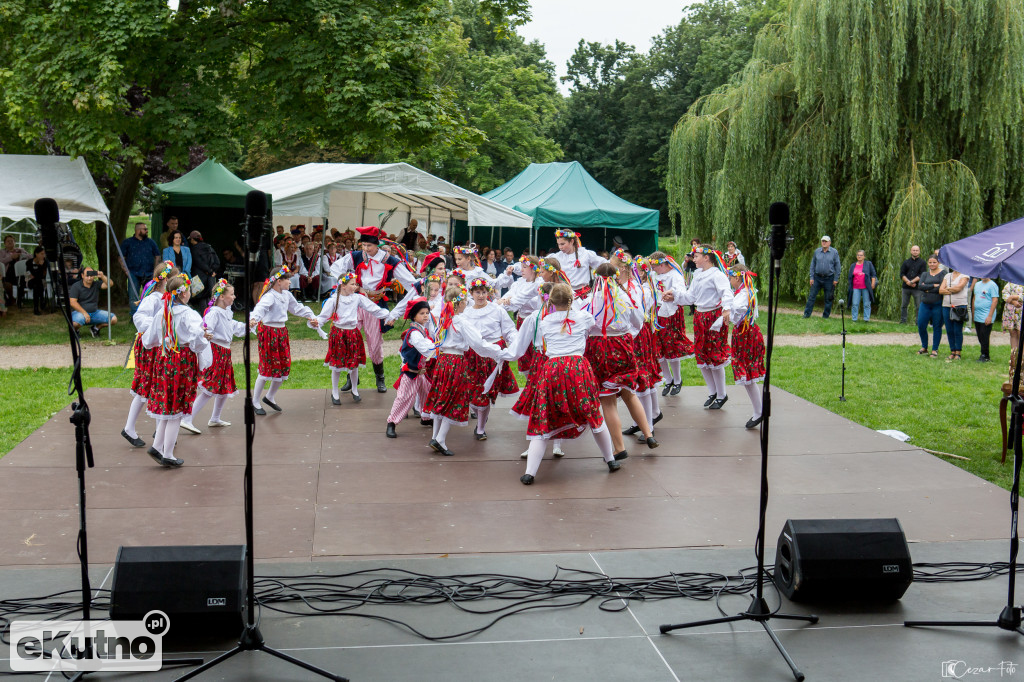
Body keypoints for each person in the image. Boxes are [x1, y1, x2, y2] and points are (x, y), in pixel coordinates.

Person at [503, 282, 622, 485]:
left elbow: (521, 347)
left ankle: (530, 472)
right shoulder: (583, 317)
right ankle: (610, 459)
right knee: (593, 414)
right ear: (571, 300)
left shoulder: (543, 320)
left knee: (543, 417)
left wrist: (499, 353)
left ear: (549, 301)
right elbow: (590, 322)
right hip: (577, 369)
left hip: (552, 369)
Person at [329, 225, 418, 393]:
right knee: (350, 338)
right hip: (355, 303)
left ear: (377, 244)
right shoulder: (355, 256)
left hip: (375, 305)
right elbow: (335, 268)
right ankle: (351, 377)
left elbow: (411, 284)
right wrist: (349, 285)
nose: (365, 249)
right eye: (363, 245)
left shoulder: (390, 261)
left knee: (374, 343)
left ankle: (380, 378)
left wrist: (407, 304)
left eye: (369, 246)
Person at [583, 264, 658, 459]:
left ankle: (619, 447)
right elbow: (638, 321)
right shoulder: (624, 297)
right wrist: (624, 332)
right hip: (623, 346)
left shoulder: (591, 300)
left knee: (607, 401)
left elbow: (585, 324)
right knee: (629, 393)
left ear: (597, 279)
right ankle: (648, 434)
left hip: (601, 350)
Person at [421, 285, 506, 456]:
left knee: (441, 397)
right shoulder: (460, 321)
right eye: (465, 302)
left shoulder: (444, 320)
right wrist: (498, 351)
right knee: (453, 399)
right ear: (459, 304)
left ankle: (435, 437)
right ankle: (440, 439)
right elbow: (478, 343)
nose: (466, 304)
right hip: (456, 362)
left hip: (443, 361)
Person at [141, 274, 212, 467]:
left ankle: (157, 446)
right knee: (177, 408)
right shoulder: (190, 314)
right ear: (184, 293)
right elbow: (198, 341)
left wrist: (164, 341)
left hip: (164, 360)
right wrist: (203, 338)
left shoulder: (163, 312)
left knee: (168, 404)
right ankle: (168, 454)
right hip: (183, 362)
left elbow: (148, 341)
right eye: (188, 290)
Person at [248, 266, 321, 414]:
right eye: (287, 279)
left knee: (283, 365)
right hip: (269, 333)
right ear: (278, 281)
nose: (289, 281)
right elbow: (259, 309)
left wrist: (311, 316)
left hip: (281, 332)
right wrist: (254, 319)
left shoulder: (286, 295)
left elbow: (297, 308)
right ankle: (254, 401)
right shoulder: (269, 296)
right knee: (267, 367)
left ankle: (270, 396)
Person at [122, 261, 179, 448]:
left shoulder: (167, 298)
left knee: (157, 387)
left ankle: (157, 433)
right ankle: (131, 428)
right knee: (148, 386)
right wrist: (157, 328)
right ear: (166, 280)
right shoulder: (154, 298)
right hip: (149, 347)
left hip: (159, 346)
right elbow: (139, 318)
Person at [181, 279, 246, 433]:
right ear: (221, 297)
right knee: (210, 387)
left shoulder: (226, 312)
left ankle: (215, 418)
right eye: (232, 294)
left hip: (225, 352)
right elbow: (205, 328)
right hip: (217, 352)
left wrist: (249, 325)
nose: (234, 296)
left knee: (224, 386)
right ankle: (187, 418)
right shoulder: (214, 313)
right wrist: (207, 334)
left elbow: (233, 326)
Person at [317, 272, 390, 405]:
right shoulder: (334, 300)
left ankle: (355, 389)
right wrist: (316, 322)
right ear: (343, 286)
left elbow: (373, 308)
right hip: (338, 333)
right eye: (352, 284)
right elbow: (323, 316)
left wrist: (388, 315)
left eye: (356, 284)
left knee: (354, 363)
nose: (356, 286)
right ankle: (334, 391)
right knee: (337, 364)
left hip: (352, 333)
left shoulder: (357, 298)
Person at [461, 277, 519, 440]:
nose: (481, 296)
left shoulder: (497, 310)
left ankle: (480, 428)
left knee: (485, 392)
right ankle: (478, 413)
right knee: (472, 390)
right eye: (477, 292)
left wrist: (515, 343)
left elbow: (509, 330)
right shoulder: (466, 312)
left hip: (493, 355)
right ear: (471, 293)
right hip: (473, 355)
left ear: (489, 293)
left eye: (484, 292)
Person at [676, 245, 733, 409]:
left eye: (696, 256)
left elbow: (726, 292)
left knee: (714, 355)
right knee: (701, 353)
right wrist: (675, 296)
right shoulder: (698, 274)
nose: (693, 259)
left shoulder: (717, 275)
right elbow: (690, 297)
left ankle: (722, 394)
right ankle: (712, 391)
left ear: (706, 257)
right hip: (700, 317)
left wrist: (727, 308)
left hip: (714, 317)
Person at [385, 297, 436, 438]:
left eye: (427, 312)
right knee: (404, 398)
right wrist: (438, 347)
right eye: (422, 313)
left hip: (422, 373)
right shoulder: (414, 333)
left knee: (428, 394)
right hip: (411, 373)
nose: (426, 315)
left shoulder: (422, 330)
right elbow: (425, 349)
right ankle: (392, 423)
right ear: (414, 316)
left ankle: (426, 418)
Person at [648, 251, 693, 395]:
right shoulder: (653, 275)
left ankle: (678, 380)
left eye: (654, 266)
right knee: (658, 347)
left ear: (662, 264)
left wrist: (671, 293)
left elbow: (680, 291)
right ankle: (668, 379)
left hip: (671, 314)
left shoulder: (675, 275)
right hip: (657, 313)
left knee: (671, 346)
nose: (653, 269)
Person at [728, 265, 766, 428]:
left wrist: (727, 310)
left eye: (730, 277)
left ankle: (759, 412)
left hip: (746, 335)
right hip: (743, 333)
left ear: (737, 278)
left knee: (748, 374)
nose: (729, 280)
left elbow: (737, 309)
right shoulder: (743, 292)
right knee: (748, 376)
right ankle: (758, 411)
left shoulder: (744, 294)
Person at [550, 229, 607, 298]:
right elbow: (542, 265)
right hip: (565, 295)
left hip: (584, 295)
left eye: (562, 244)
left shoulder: (585, 254)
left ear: (571, 241)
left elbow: (604, 264)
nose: (560, 247)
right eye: (558, 244)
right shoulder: (556, 257)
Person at [120, 222, 161, 307]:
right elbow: (121, 257)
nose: (147, 231)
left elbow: (157, 255)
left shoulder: (151, 242)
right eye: (145, 229)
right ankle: (134, 316)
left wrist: (155, 270)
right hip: (133, 273)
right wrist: (126, 270)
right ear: (138, 230)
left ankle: (150, 313)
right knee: (133, 297)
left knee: (150, 295)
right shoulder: (128, 242)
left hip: (149, 273)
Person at [69, 268, 117, 337]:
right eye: (87, 276)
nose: (89, 278)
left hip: (94, 313)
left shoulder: (96, 284)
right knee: (75, 323)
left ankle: (95, 328)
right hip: (79, 313)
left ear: (94, 276)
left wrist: (102, 276)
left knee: (113, 319)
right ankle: (75, 330)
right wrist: (84, 313)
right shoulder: (76, 286)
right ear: (82, 275)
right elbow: (73, 302)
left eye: (91, 276)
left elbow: (110, 284)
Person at [916, 256, 946, 357]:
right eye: (930, 262)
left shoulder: (943, 274)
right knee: (921, 325)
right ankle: (924, 347)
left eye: (934, 262)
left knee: (937, 327)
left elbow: (941, 288)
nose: (932, 264)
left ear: (938, 263)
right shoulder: (924, 274)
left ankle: (934, 349)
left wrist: (927, 288)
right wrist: (933, 286)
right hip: (925, 304)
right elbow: (920, 286)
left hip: (937, 305)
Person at [804, 236, 841, 318]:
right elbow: (812, 265)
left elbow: (837, 266)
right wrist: (811, 277)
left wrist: (836, 279)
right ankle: (806, 314)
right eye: (823, 241)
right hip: (817, 278)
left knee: (828, 298)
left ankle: (825, 316)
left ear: (829, 243)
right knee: (811, 297)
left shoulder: (834, 252)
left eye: (826, 241)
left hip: (829, 278)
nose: (824, 242)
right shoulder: (817, 252)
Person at [940, 267, 969, 361]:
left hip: (959, 306)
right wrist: (952, 289)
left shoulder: (965, 275)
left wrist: (947, 289)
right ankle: (952, 350)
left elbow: (959, 288)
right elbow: (940, 290)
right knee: (949, 329)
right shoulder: (947, 275)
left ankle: (958, 352)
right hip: (946, 305)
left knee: (957, 330)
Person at [188, 230, 219, 310]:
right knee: (210, 296)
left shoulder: (193, 249)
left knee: (201, 298)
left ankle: (204, 317)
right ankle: (210, 315)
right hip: (211, 277)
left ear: (192, 239)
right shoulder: (209, 247)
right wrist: (213, 271)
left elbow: (198, 262)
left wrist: (209, 271)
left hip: (198, 276)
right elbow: (217, 261)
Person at [972, 277, 999, 362]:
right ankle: (983, 353)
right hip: (977, 314)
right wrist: (973, 312)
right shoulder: (977, 284)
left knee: (984, 335)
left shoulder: (992, 285)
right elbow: (974, 298)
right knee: (980, 335)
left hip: (986, 314)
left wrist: (990, 316)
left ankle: (985, 355)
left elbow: (995, 300)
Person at [847, 250, 877, 321]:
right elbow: (850, 276)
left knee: (867, 304)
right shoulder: (853, 265)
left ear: (864, 256)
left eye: (861, 255)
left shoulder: (868, 264)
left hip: (866, 287)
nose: (859, 256)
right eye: (858, 255)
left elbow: (873, 274)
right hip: (855, 287)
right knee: (855, 304)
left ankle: (866, 319)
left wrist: (872, 284)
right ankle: (854, 319)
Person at [899, 245, 926, 324]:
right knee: (904, 305)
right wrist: (908, 282)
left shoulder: (923, 262)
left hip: (917, 288)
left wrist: (912, 282)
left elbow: (922, 274)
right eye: (913, 250)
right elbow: (902, 274)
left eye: (917, 250)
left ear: (919, 251)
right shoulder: (906, 262)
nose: (915, 251)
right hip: (906, 287)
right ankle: (903, 321)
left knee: (918, 306)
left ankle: (918, 322)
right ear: (911, 251)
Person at [0, 234, 30, 304]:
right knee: (6, 284)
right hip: (7, 273)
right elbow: (1, 261)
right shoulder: (2, 252)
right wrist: (11, 257)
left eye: (12, 241)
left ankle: (19, 298)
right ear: (5, 243)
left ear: (14, 242)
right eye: (8, 241)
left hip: (21, 273)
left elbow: (30, 257)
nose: (10, 242)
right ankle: (11, 299)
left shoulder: (20, 250)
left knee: (26, 279)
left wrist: (21, 255)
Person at [25, 246, 49, 315]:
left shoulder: (45, 262)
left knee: (37, 285)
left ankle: (37, 307)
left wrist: (40, 267)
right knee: (37, 284)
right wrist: (39, 269)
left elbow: (43, 276)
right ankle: (41, 302)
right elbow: (28, 275)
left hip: (40, 281)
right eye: (41, 254)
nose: (43, 256)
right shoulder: (29, 262)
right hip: (30, 281)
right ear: (36, 254)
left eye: (44, 254)